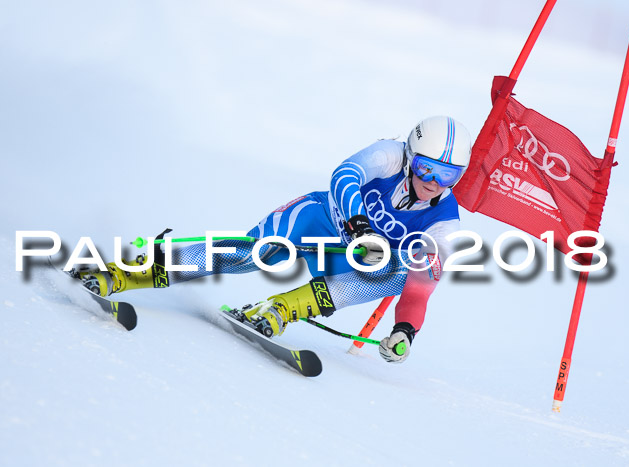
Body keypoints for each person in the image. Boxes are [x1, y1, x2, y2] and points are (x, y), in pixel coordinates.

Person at [80, 116, 472, 363]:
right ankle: (126, 274)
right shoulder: (390, 155)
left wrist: (404, 330)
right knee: (253, 255)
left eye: (447, 176)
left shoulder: (445, 223)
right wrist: (358, 226)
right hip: (318, 220)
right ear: (410, 155)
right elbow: (344, 175)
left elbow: (422, 287)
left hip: (350, 258)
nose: (432, 183)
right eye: (426, 168)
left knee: (401, 273)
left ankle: (281, 309)